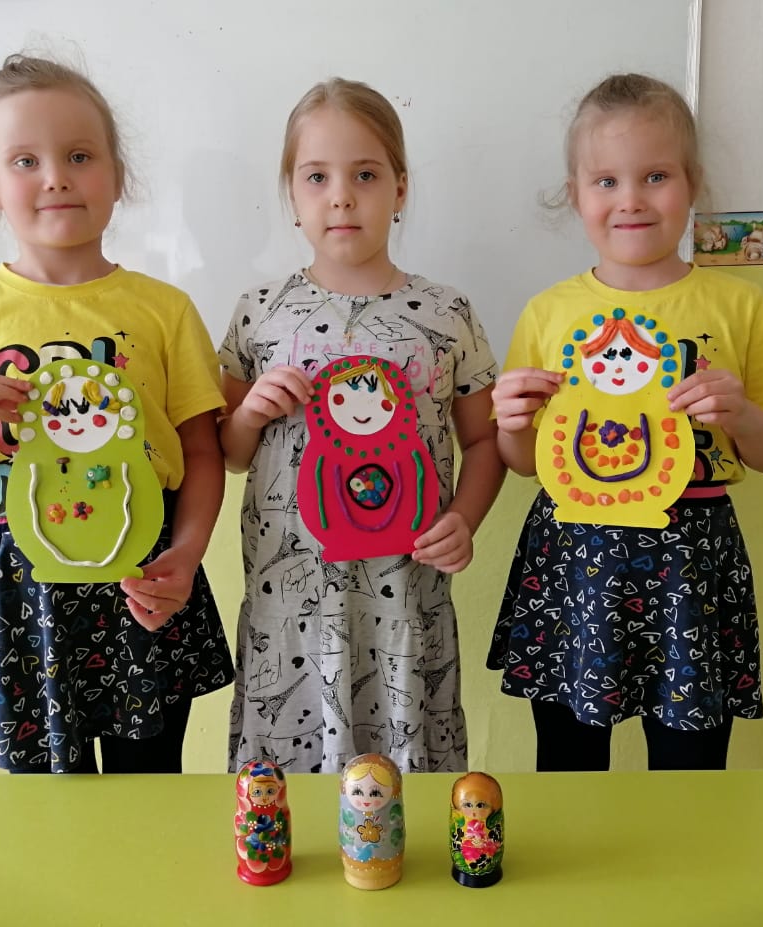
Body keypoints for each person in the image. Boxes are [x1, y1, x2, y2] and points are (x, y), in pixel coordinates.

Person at [0, 54, 231, 774]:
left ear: (117, 175)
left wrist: (187, 552)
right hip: (20, 585)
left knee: (148, 784)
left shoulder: (164, 310)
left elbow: (202, 452)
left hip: (142, 569)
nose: (56, 178)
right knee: (44, 796)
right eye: (25, 160)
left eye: (79, 156)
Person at [486, 73, 763, 772]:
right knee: (569, 760)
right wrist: (511, 424)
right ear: (576, 194)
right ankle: (577, 846)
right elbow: (523, 461)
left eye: (655, 176)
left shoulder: (737, 305)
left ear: (692, 184)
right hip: (575, 552)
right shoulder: (548, 312)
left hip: (691, 553)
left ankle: (687, 846)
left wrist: (743, 415)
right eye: (606, 181)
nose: (630, 199)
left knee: (690, 762)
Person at [218, 78, 503, 774]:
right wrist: (251, 412)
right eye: (317, 177)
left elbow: (484, 439)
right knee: (285, 794)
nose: (341, 196)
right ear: (292, 194)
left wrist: (464, 518)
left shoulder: (447, 312)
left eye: (366, 175)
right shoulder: (259, 311)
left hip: (405, 596)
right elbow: (229, 452)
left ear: (400, 189)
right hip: (291, 603)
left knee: (403, 782)